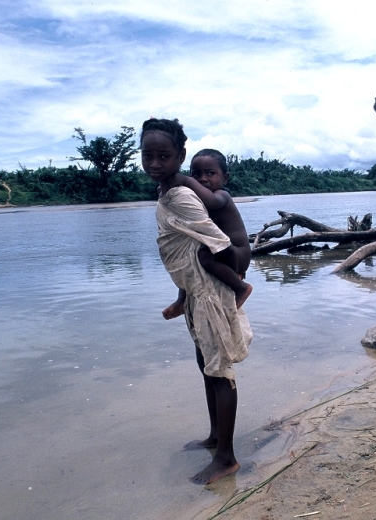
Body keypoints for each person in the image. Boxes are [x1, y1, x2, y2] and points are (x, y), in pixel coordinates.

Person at [141, 117, 252, 485]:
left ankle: (226, 458)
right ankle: (216, 437)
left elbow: (217, 244)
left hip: (211, 294)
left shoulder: (185, 194)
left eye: (163, 156)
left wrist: (234, 282)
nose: (155, 163)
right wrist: (182, 296)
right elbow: (188, 251)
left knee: (219, 371)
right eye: (148, 155)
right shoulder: (167, 192)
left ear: (179, 156)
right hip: (196, 293)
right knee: (207, 365)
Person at [161, 149, 252, 318]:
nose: (203, 179)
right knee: (189, 258)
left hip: (237, 253)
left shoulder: (222, 196)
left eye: (210, 173)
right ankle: (182, 299)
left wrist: (187, 181)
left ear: (225, 178)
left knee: (203, 256)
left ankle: (241, 288)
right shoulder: (196, 201)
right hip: (221, 251)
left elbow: (212, 201)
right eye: (196, 174)